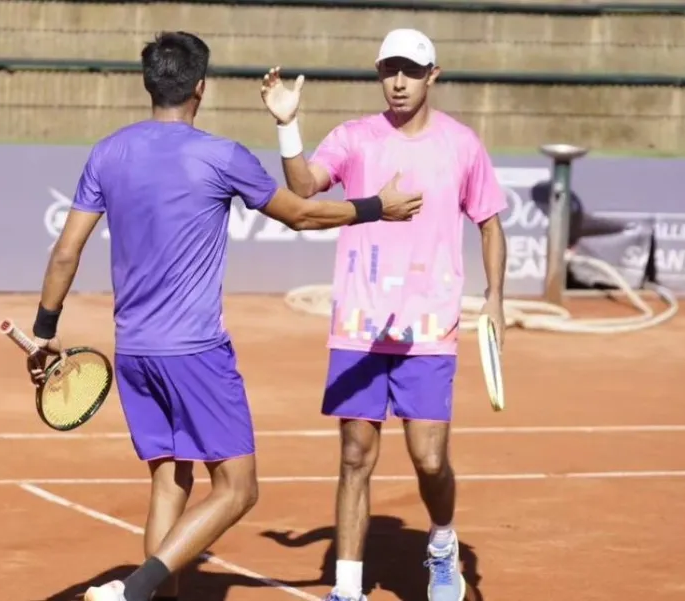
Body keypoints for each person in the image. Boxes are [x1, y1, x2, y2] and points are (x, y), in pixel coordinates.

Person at [23, 31, 423, 601]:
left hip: (134, 352)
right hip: (195, 352)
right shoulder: (221, 155)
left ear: (150, 84)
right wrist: (375, 208)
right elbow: (303, 215)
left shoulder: (108, 152)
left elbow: (66, 251)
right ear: (201, 89)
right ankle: (131, 593)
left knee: (170, 480)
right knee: (238, 489)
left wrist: (44, 332)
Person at [260, 28, 509, 601]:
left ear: (432, 76)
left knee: (428, 458)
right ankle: (348, 587)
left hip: (430, 325)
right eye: (389, 70)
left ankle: (442, 543)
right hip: (360, 324)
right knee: (355, 454)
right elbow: (303, 190)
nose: (398, 82)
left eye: (411, 71)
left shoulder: (462, 145)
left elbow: (490, 223)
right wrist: (286, 125)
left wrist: (494, 297)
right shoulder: (354, 138)